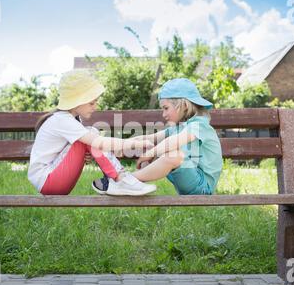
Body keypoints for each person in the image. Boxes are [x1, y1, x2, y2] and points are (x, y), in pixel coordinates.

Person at [28, 69, 157, 196]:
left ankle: (115, 180)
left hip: (53, 180)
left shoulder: (68, 120)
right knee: (91, 134)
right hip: (48, 180)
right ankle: (120, 179)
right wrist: (131, 143)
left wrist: (84, 153)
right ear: (77, 102)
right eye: (91, 103)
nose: (95, 107)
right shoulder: (61, 120)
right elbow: (99, 143)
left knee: (90, 135)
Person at [93, 78, 223, 196]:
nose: (164, 114)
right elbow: (149, 138)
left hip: (202, 187)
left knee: (173, 153)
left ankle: (126, 180)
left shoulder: (200, 125)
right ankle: (125, 182)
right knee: (154, 148)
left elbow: (175, 141)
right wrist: (123, 145)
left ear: (183, 105)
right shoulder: (178, 128)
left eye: (166, 108)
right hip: (189, 180)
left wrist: (151, 152)